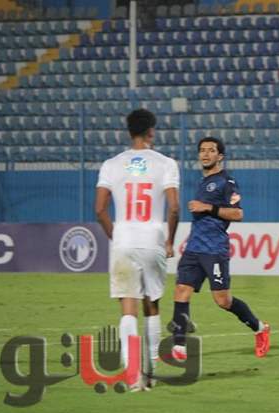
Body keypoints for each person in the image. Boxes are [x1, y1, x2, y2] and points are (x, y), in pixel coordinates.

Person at [95, 108, 180, 390]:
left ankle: (133, 376)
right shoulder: (166, 163)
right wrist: (169, 240)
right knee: (151, 305)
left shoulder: (111, 164)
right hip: (153, 239)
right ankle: (151, 371)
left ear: (129, 131)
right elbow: (174, 208)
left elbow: (100, 209)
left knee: (127, 309)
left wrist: (116, 236)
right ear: (151, 131)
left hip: (123, 240)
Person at [168, 136, 270, 360]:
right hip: (194, 248)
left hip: (214, 250)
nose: (205, 154)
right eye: (202, 150)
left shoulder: (227, 182)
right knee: (181, 290)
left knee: (223, 301)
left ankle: (260, 328)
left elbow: (238, 214)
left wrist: (207, 207)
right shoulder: (202, 182)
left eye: (211, 150)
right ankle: (179, 346)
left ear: (220, 156)